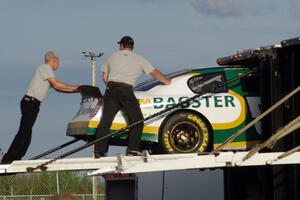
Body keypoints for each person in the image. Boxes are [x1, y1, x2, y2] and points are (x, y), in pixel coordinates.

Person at [94, 36, 171, 157]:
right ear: (132, 47)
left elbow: (104, 77)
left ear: (121, 46)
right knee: (137, 120)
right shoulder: (139, 59)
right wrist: (168, 82)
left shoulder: (113, 56)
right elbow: (154, 73)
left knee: (106, 121)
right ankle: (132, 150)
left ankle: (99, 151)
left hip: (111, 90)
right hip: (126, 91)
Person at [1, 51, 80, 164]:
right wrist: (76, 88)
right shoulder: (45, 67)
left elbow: (58, 88)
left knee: (27, 133)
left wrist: (75, 90)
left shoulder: (45, 70)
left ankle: (16, 158)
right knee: (24, 132)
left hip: (32, 104)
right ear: (54, 60)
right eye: (58, 61)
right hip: (30, 102)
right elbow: (56, 84)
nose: (59, 64)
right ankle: (8, 158)